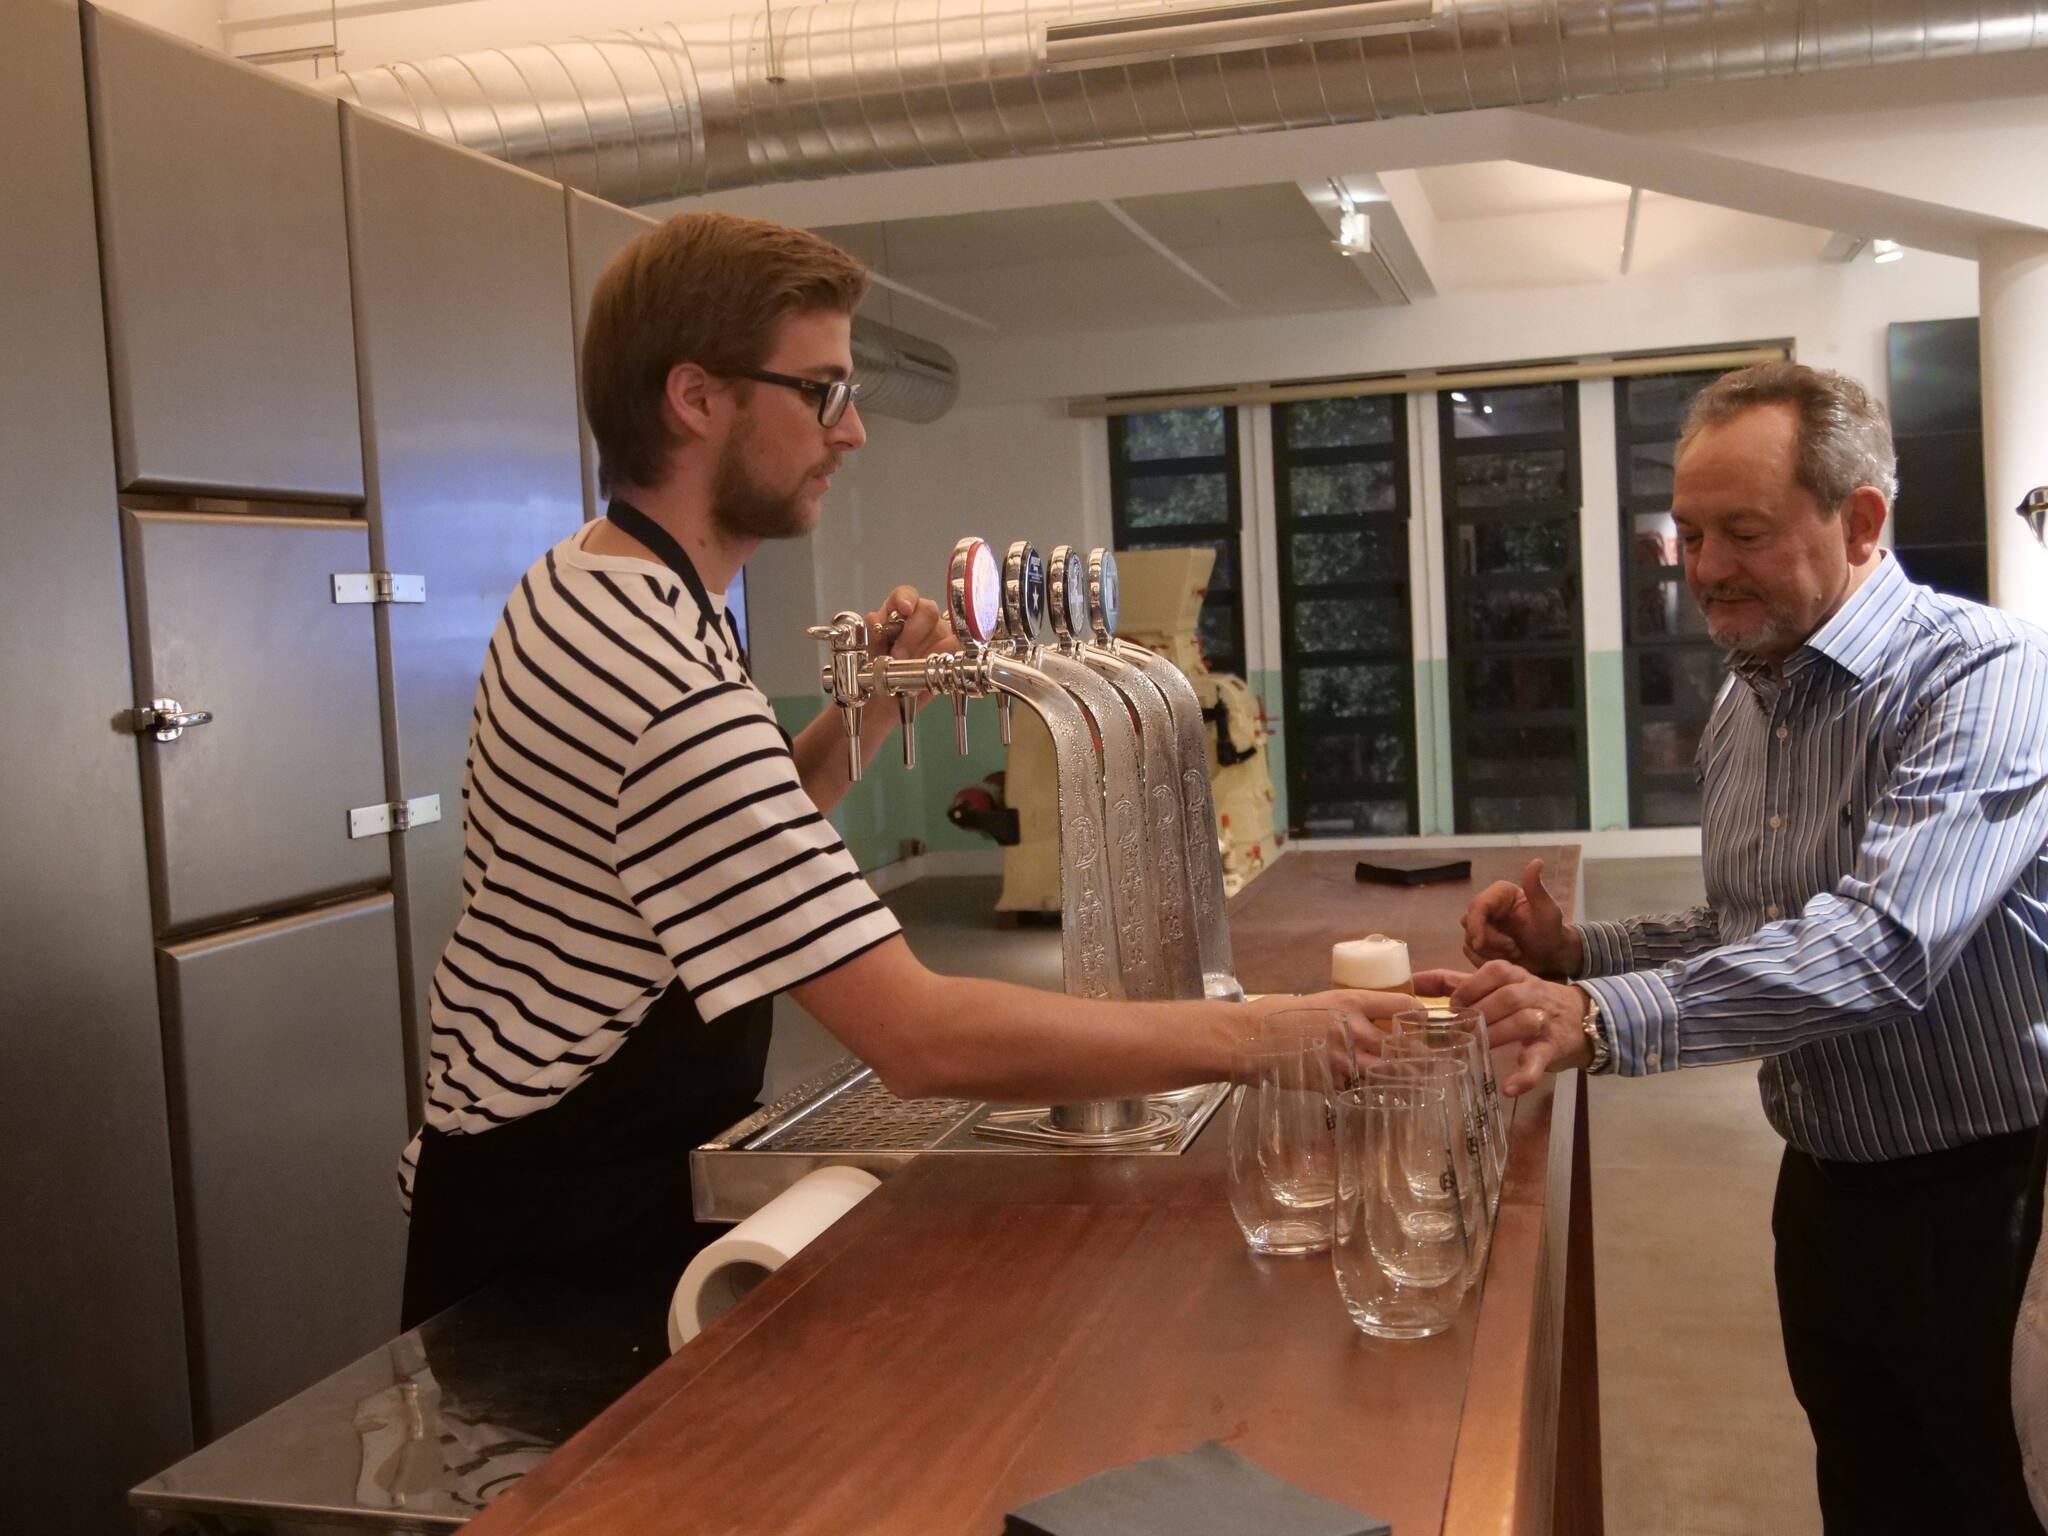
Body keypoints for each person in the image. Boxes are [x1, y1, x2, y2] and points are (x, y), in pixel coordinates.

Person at [397, 211, 1396, 1342]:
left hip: (536, 1176)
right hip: (559, 1243)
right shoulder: (658, 679)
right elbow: (922, 1037)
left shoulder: (591, 582)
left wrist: (871, 710)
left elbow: (716, 852)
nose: (854, 430)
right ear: (695, 398)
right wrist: (1264, 1037)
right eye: (822, 391)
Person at [1424, 362, 2048, 1534]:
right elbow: (1749, 930)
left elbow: (1876, 946)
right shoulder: (1747, 697)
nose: (1702, 568)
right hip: (1822, 1188)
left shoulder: (1985, 674)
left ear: (1858, 520)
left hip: (1993, 1202)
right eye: (1689, 533)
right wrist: (1574, 954)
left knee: (1994, 1499)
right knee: (1868, 1493)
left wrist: (1600, 1021)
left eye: (1742, 533)